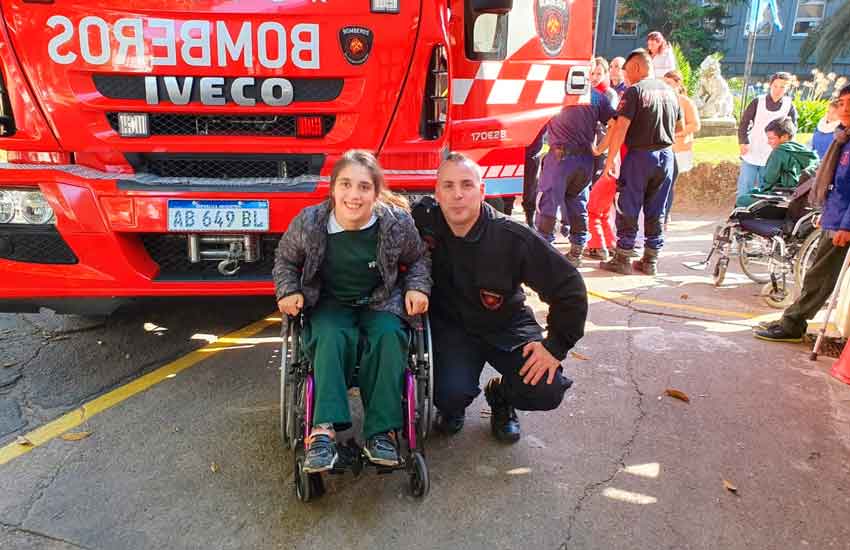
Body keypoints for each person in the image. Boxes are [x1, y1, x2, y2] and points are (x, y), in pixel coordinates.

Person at [273, 150, 431, 473]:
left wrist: (418, 287)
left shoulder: (396, 223)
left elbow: (418, 259)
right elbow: (285, 260)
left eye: (363, 187)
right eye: (346, 184)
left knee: (389, 336)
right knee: (329, 335)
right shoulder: (310, 222)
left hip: (380, 300)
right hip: (330, 301)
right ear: (333, 188)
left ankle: (382, 433)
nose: (354, 195)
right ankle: (323, 431)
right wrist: (288, 291)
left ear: (375, 192)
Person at [412, 153, 587, 443]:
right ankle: (452, 406)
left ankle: (501, 397)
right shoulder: (423, 222)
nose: (457, 194)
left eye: (467, 185)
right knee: (448, 393)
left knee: (546, 388)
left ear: (482, 192)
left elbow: (569, 287)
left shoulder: (510, 236)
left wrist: (554, 346)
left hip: (506, 325)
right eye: (448, 186)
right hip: (452, 328)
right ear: (436, 193)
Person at [755, 85, 850, 343]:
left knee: (820, 276)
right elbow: (833, 182)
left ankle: (793, 323)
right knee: (816, 273)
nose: (845, 108)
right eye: (841, 103)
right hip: (834, 214)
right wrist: (825, 212)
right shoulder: (842, 137)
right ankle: (792, 319)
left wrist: (846, 225)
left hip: (843, 222)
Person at [599, 49, 682, 276]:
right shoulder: (670, 91)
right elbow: (680, 127)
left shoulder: (634, 91)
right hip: (666, 155)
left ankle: (623, 258)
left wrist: (609, 162)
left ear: (635, 67)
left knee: (629, 205)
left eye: (626, 71)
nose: (625, 76)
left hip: (640, 157)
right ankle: (650, 260)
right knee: (657, 208)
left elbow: (621, 128)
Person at [535, 81, 618, 265]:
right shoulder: (595, 95)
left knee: (548, 202)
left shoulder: (554, 89)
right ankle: (577, 251)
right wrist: (600, 148)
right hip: (585, 160)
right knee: (578, 203)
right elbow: (615, 122)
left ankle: (543, 251)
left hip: (560, 158)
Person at [737, 72, 798, 202]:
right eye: (775, 86)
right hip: (752, 151)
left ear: (787, 89)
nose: (778, 90)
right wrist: (743, 142)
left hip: (773, 155)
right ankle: (739, 211)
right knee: (745, 187)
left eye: (782, 87)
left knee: (766, 189)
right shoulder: (757, 101)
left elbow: (792, 131)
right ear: (770, 85)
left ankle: (759, 216)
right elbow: (744, 123)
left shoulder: (789, 105)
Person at [736, 117, 818, 207]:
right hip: (801, 195)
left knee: (742, 200)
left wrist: (759, 191)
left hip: (784, 196)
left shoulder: (779, 152)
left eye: (771, 138)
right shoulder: (804, 150)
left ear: (785, 137)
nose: (768, 142)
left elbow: (769, 181)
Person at [663, 70, 701, 223]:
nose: (666, 87)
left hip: (678, 148)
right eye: (664, 84)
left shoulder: (685, 102)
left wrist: (677, 134)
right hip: (663, 147)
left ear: (678, 84)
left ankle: (664, 216)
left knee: (668, 183)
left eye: (669, 84)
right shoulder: (662, 99)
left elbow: (695, 125)